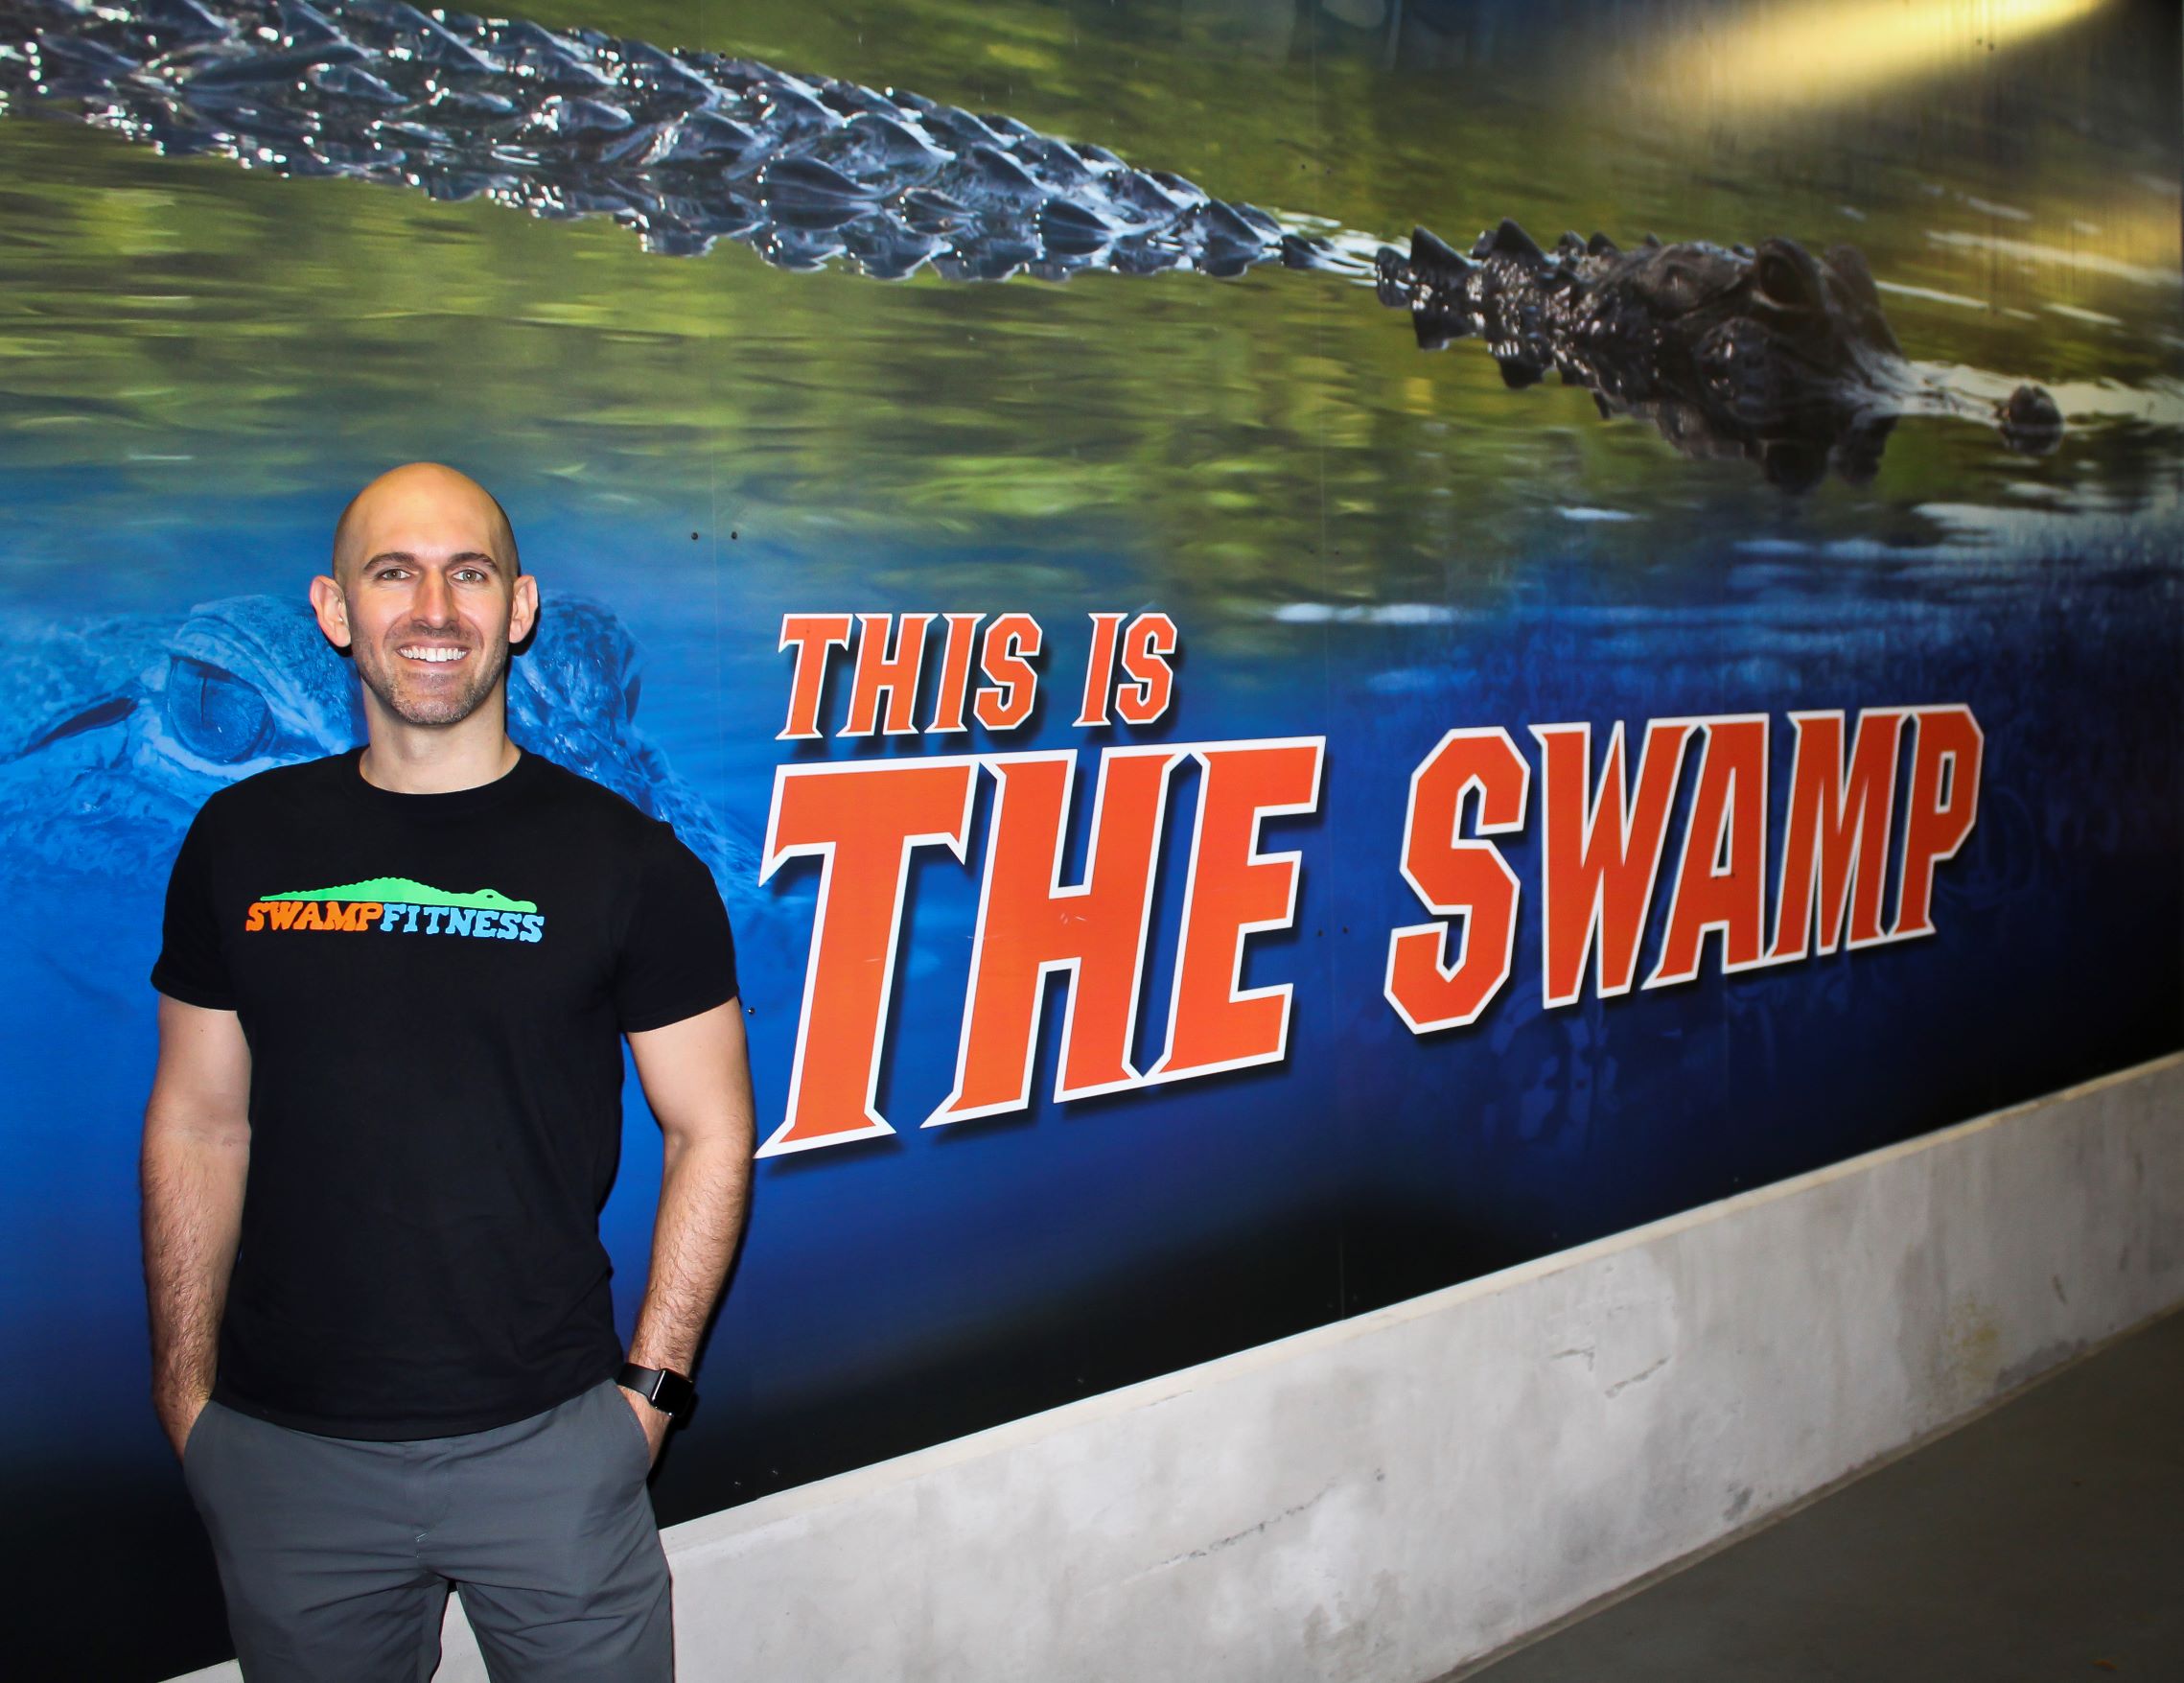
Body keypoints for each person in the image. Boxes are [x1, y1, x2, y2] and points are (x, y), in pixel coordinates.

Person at [141, 461, 754, 1680]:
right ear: (335, 611)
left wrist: (649, 1395)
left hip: (553, 1447)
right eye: (394, 574)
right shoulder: (236, 841)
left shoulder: (637, 863)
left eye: (469, 574)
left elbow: (712, 1131)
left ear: (518, 608)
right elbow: (199, 1122)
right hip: (285, 1453)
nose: (434, 610)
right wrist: (185, 1396)